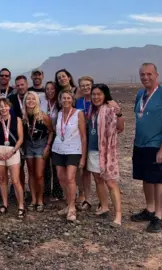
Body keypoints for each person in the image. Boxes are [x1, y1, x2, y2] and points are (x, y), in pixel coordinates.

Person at [130, 63, 162, 233]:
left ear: (156, 75)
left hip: (156, 145)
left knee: (158, 179)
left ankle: (158, 215)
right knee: (146, 177)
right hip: (140, 144)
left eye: (149, 74)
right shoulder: (140, 94)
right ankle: (149, 209)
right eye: (142, 74)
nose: (145, 77)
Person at [87, 84, 125, 227]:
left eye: (99, 94)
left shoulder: (110, 109)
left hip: (106, 151)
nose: (96, 97)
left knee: (110, 182)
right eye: (93, 94)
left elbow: (120, 128)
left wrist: (119, 112)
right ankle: (104, 206)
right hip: (93, 150)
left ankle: (118, 215)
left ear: (105, 95)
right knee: (98, 179)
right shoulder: (92, 110)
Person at [51, 91, 87, 222]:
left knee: (70, 178)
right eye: (63, 98)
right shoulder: (59, 114)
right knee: (61, 177)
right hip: (58, 149)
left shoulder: (79, 113)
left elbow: (83, 136)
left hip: (74, 150)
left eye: (68, 98)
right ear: (60, 100)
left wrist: (83, 157)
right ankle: (68, 203)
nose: (66, 100)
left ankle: (72, 208)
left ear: (72, 100)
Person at [0, 98, 25, 218]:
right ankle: (5, 204)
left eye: (5, 106)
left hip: (12, 151)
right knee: (2, 179)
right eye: (0, 106)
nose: (3, 108)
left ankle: (21, 205)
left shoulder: (17, 120)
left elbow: (20, 138)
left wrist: (14, 151)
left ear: (9, 107)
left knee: (15, 180)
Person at [23, 91, 54, 212]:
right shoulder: (24, 117)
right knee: (31, 173)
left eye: (33, 99)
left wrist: (47, 146)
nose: (30, 101)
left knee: (39, 175)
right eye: (28, 99)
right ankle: (33, 199)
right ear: (25, 101)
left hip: (41, 145)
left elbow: (51, 131)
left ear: (37, 101)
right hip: (29, 145)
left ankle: (40, 199)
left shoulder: (43, 116)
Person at [40, 81, 63, 201]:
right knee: (45, 166)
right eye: (47, 89)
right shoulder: (42, 101)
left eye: (52, 89)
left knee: (56, 165)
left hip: (58, 136)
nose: (50, 91)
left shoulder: (60, 103)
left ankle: (58, 193)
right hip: (44, 135)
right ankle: (46, 191)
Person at [74, 76, 94, 210]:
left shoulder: (97, 100)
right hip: (79, 138)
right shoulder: (78, 102)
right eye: (83, 86)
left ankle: (88, 198)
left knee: (88, 170)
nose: (86, 88)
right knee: (77, 168)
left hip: (93, 137)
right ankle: (80, 192)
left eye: (88, 85)